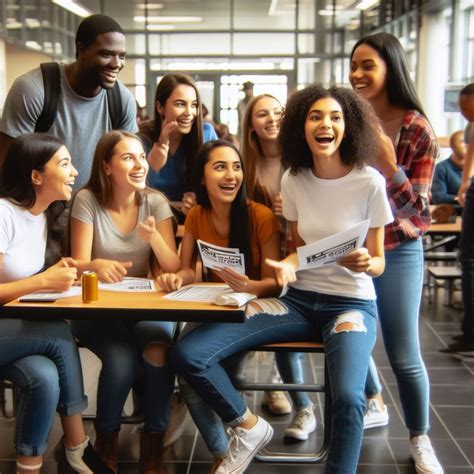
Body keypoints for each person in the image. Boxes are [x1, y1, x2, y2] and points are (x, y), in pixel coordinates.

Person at [167, 85, 393, 474]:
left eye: (335, 117)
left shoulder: (369, 181)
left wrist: (365, 262)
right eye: (316, 117)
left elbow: (379, 263)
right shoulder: (294, 179)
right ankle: (249, 427)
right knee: (190, 354)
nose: (326, 124)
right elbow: (300, 249)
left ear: (349, 126)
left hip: (350, 304)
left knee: (348, 397)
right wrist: (287, 265)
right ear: (301, 128)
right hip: (299, 300)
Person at [349, 32, 443, 473]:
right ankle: (373, 400)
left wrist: (389, 165)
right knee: (350, 335)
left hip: (399, 249)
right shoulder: (348, 121)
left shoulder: (416, 128)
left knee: (404, 354)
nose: (357, 74)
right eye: (354, 65)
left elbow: (420, 213)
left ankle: (420, 438)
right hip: (351, 249)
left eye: (367, 65)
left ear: (391, 68)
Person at [157, 139, 281, 471]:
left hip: (254, 307)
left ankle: (233, 444)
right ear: (202, 177)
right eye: (220, 167)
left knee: (203, 368)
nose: (231, 175)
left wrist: (251, 286)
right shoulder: (197, 215)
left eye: (236, 167)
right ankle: (222, 451)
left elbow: (276, 282)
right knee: (184, 368)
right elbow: (186, 268)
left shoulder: (261, 216)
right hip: (213, 306)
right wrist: (176, 279)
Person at [0, 133, 113, 474]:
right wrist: (44, 281)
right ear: (36, 176)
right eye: (64, 163)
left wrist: (72, 271)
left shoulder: (42, 217)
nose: (75, 170)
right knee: (57, 334)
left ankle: (28, 468)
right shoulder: (3, 213)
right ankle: (77, 445)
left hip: (11, 332)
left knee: (45, 377)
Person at [69, 130, 180, 473]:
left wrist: (154, 241)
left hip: (145, 305)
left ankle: (153, 446)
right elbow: (77, 265)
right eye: (128, 157)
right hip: (98, 308)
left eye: (142, 157)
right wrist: (96, 266)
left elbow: (174, 266)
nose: (139, 164)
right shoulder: (87, 199)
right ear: (106, 166)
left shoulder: (155, 202)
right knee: (120, 360)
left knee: (159, 345)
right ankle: (106, 446)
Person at [241, 93, 314, 439]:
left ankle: (301, 402)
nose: (271, 119)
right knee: (274, 324)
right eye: (262, 114)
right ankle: (276, 389)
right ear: (251, 124)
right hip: (264, 255)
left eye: (278, 112)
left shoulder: (303, 158)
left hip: (302, 255)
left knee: (296, 329)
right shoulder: (245, 162)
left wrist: (296, 207)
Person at [0, 14, 137, 190]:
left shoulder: (122, 100)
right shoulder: (33, 89)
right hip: (40, 209)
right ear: (81, 50)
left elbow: (128, 168)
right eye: (106, 54)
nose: (116, 64)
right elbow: (8, 167)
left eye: (122, 56)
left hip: (94, 209)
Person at [138, 72, 218, 220]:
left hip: (195, 219)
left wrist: (200, 198)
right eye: (180, 104)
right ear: (160, 107)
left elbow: (217, 182)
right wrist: (162, 144)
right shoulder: (143, 138)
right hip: (151, 219)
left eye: (194, 105)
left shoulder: (206, 134)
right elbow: (140, 186)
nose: (189, 113)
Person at [445, 83, 474, 357]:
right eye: (461, 108)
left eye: (467, 107)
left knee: (469, 259)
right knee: (466, 259)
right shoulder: (470, 127)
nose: (464, 113)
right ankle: (469, 330)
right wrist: (464, 184)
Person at [431, 130, 466, 206]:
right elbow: (437, 197)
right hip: (452, 214)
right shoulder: (441, 168)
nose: (467, 145)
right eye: (463, 141)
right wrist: (461, 198)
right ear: (452, 145)